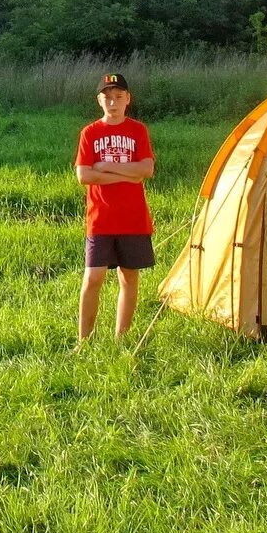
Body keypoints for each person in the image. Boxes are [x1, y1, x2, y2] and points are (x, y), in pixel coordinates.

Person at [74, 71, 154, 343]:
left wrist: (107, 167)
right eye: (107, 97)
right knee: (93, 279)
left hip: (133, 219)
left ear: (128, 99)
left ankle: (122, 337)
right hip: (101, 219)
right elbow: (84, 175)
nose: (113, 102)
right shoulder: (90, 133)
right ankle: (84, 341)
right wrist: (127, 174)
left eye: (119, 97)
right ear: (99, 100)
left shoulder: (138, 130)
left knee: (128, 277)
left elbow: (147, 169)